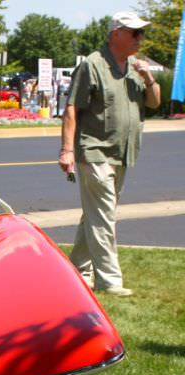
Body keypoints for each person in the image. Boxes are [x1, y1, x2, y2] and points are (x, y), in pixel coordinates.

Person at [58, 11, 161, 296]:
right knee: (103, 216)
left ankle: (77, 270)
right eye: (135, 33)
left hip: (122, 153)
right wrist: (67, 150)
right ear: (117, 33)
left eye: (142, 33)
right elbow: (71, 109)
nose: (141, 38)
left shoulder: (134, 68)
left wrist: (149, 78)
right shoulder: (93, 65)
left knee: (95, 215)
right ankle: (109, 280)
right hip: (94, 151)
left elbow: (154, 103)